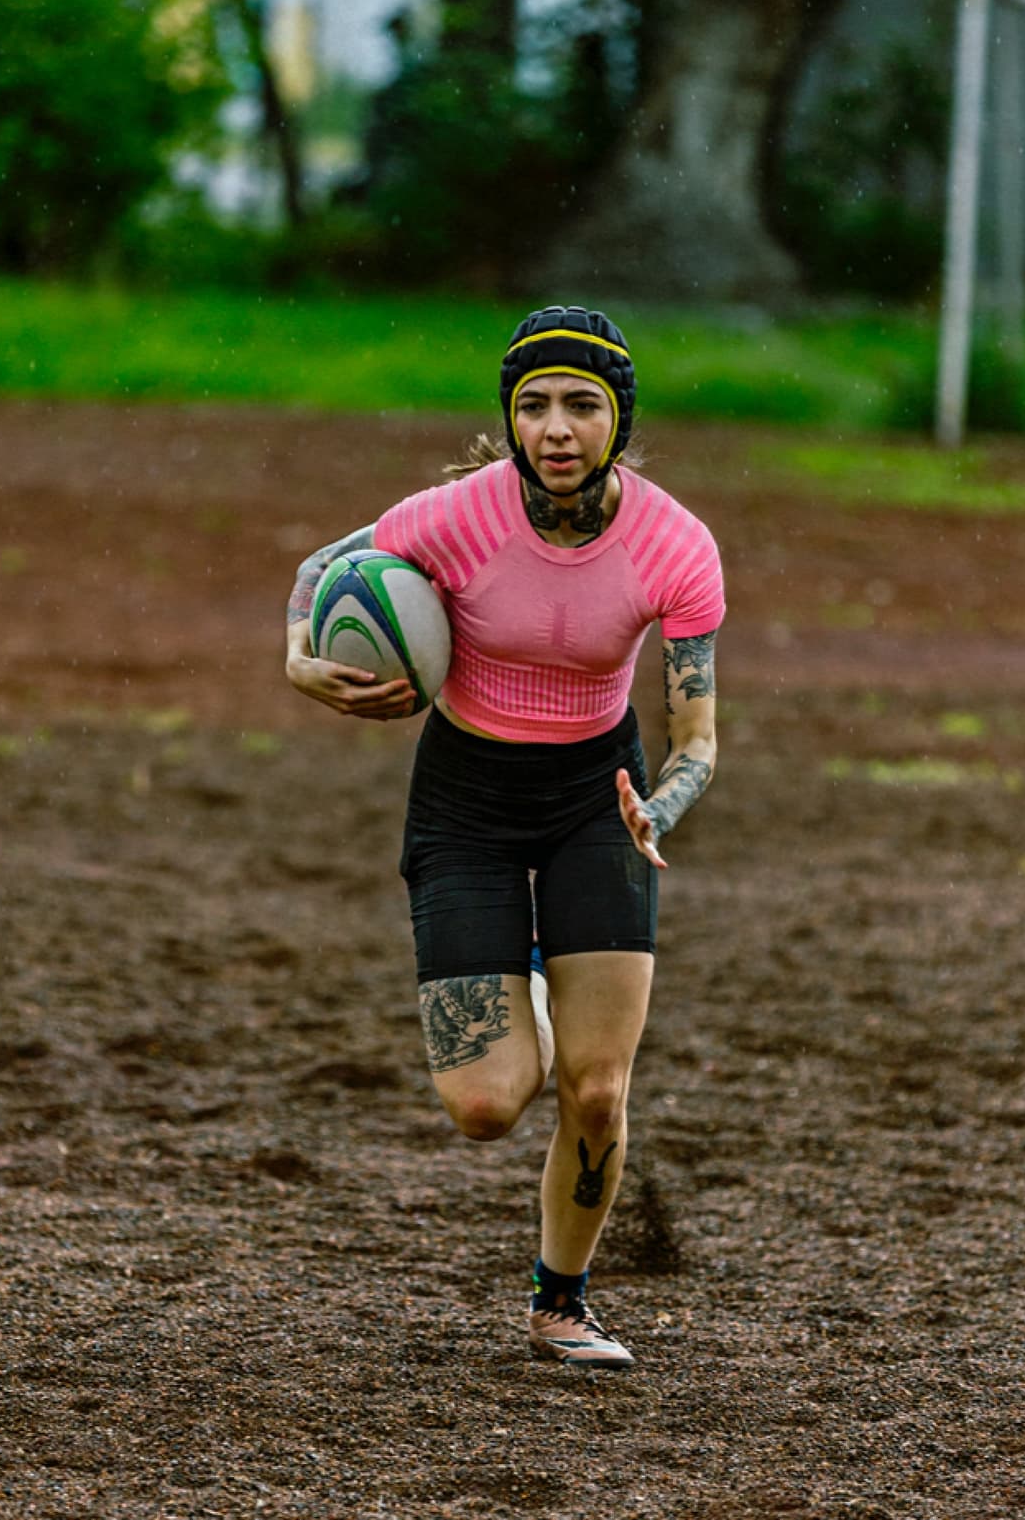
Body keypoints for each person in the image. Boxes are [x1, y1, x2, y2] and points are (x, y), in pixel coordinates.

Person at [284, 306, 723, 1370]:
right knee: (485, 1107)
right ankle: (527, 977)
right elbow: (314, 574)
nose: (556, 427)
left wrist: (653, 811)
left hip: (598, 798)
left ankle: (559, 1302)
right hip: (466, 803)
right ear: (508, 420)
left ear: (619, 416)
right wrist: (300, 662)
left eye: (582, 404)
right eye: (533, 405)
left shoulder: (674, 544)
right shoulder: (449, 518)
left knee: (597, 1087)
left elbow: (697, 742)